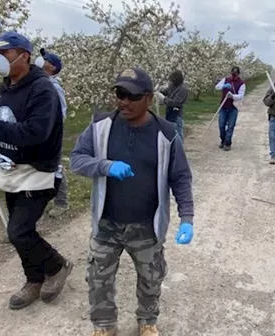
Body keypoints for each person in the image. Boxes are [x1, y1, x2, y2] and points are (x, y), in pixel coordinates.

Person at [69, 67, 195, 336]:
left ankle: (147, 321)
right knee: (98, 278)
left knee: (151, 278)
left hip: (146, 225)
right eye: (119, 93)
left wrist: (187, 218)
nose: (124, 101)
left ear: (149, 99)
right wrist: (104, 165)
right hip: (107, 223)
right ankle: (104, 326)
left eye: (132, 96)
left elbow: (181, 178)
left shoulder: (166, 133)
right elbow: (77, 159)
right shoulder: (100, 126)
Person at [0, 31, 73, 310]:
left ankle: (57, 266)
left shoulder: (42, 89)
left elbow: (35, 133)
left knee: (19, 232)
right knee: (18, 228)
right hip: (10, 169)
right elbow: (6, 129)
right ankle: (33, 278)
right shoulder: (4, 89)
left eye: (5, 53)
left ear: (24, 55)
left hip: (38, 170)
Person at [34, 48, 69, 218]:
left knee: (55, 166)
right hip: (37, 133)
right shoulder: (37, 83)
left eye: (45, 60)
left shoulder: (55, 88)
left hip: (50, 135)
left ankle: (62, 202)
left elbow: (61, 112)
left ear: (52, 68)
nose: (41, 61)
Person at [214, 66, 246, 151]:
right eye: (232, 74)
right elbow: (217, 87)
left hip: (233, 108)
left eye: (235, 74)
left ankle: (227, 143)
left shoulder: (242, 83)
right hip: (223, 106)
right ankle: (223, 140)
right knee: (221, 125)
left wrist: (232, 96)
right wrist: (224, 86)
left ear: (238, 74)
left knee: (230, 126)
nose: (233, 76)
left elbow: (241, 96)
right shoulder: (226, 80)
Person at [154, 69, 188, 142]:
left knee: (177, 134)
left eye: (172, 79)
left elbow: (176, 103)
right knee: (170, 133)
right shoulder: (172, 86)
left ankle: (179, 150)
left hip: (176, 115)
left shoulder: (183, 89)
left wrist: (164, 99)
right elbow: (167, 92)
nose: (171, 81)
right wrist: (159, 92)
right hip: (169, 113)